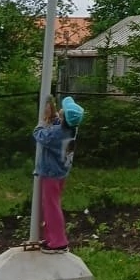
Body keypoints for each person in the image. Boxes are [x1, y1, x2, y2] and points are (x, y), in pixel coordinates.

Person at [33, 96, 83, 253]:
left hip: (51, 174)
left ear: (63, 117)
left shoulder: (55, 133)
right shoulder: (72, 128)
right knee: (51, 205)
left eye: (63, 110)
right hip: (61, 172)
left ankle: (58, 242)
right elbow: (58, 125)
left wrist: (42, 122)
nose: (60, 108)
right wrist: (54, 117)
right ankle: (51, 238)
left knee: (51, 207)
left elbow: (39, 134)